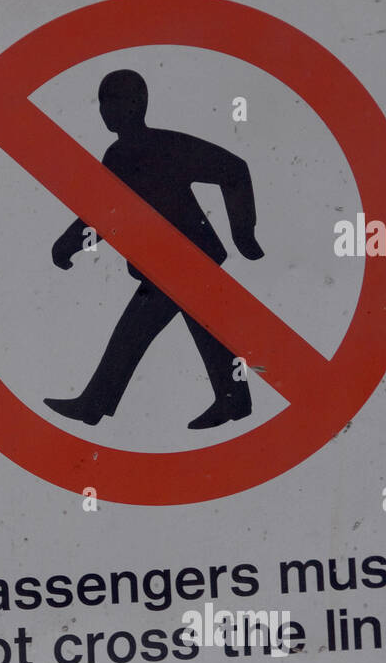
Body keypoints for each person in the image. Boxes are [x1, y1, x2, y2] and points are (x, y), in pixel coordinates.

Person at [45, 69, 264, 430]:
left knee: (132, 333)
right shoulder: (118, 153)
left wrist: (245, 235)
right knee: (206, 332)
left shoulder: (161, 146)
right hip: (169, 265)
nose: (105, 111)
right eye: (101, 102)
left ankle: (92, 405)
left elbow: (234, 169)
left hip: (183, 263)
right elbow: (105, 213)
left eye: (113, 101)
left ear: (137, 104)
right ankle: (234, 402)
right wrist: (67, 246)